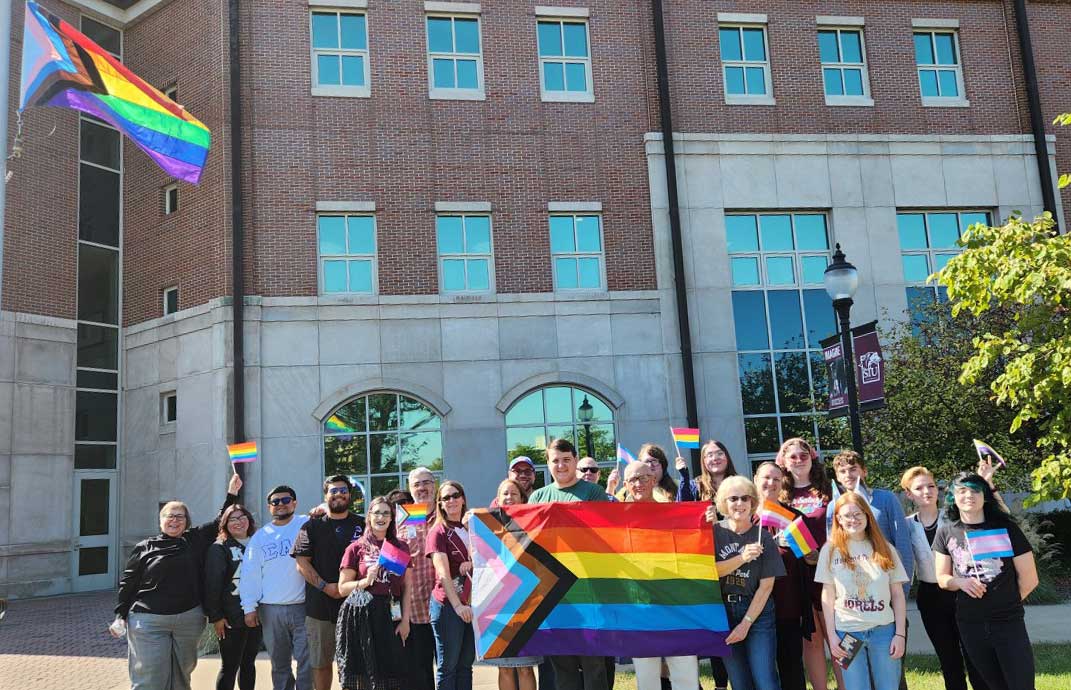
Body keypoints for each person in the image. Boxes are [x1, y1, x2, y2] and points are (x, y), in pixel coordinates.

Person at [114, 473, 241, 690]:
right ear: (160, 520)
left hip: (188, 620)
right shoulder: (145, 547)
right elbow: (128, 583)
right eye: (169, 515)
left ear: (187, 522)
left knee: (182, 675)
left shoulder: (195, 540)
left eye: (180, 516)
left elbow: (220, 520)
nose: (174, 520)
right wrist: (120, 615)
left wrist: (232, 493)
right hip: (148, 620)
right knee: (150, 677)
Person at [934, 472, 1038, 690]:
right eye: (962, 491)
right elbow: (942, 578)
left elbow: (1030, 579)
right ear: (953, 497)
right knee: (990, 685)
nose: (969, 495)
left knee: (1021, 684)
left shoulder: (1006, 529)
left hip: (1008, 622)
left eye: (975, 490)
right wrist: (959, 582)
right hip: (970, 623)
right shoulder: (945, 533)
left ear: (985, 496)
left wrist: (1006, 601)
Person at [529, 438, 611, 690]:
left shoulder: (593, 493)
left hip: (589, 590)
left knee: (593, 662)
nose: (561, 465)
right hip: (554, 593)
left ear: (575, 460)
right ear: (548, 464)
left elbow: (608, 533)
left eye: (566, 460)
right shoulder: (537, 497)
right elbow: (525, 540)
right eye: (555, 460)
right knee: (561, 664)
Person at [900, 467, 989, 690]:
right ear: (909, 494)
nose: (926, 491)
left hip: (962, 590)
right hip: (930, 596)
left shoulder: (954, 518)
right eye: (919, 488)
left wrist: (986, 484)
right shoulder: (906, 525)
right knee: (948, 659)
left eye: (931, 486)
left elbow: (991, 518)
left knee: (975, 656)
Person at [817, 493, 909, 690]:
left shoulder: (886, 549)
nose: (853, 520)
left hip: (883, 632)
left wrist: (899, 634)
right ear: (838, 520)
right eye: (847, 516)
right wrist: (832, 635)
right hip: (847, 634)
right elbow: (827, 595)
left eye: (858, 514)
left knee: (888, 687)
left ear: (867, 516)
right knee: (855, 687)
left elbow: (898, 594)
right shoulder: (830, 550)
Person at [622, 461, 700, 690]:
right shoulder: (616, 521)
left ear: (654, 480)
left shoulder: (673, 514)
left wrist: (704, 520)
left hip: (675, 605)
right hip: (640, 607)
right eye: (633, 479)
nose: (638, 484)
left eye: (644, 478)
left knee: (685, 673)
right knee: (646, 678)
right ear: (625, 484)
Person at [707, 476, 784, 690]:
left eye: (745, 498)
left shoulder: (764, 538)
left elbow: (767, 586)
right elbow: (711, 572)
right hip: (724, 613)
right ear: (724, 502)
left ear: (753, 503)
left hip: (758, 614)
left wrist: (746, 623)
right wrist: (742, 558)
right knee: (739, 682)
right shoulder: (715, 533)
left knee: (765, 680)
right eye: (733, 498)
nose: (739, 503)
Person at [291, 476, 366, 690]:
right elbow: (301, 563)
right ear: (326, 496)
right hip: (319, 608)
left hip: (356, 605)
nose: (339, 494)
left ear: (349, 495)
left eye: (343, 490)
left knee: (354, 664)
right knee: (321, 663)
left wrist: (346, 587)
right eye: (333, 491)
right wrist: (326, 587)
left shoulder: (363, 524)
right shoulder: (311, 526)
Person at [776, 437, 839, 690]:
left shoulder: (829, 489)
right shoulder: (781, 493)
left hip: (829, 569)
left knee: (836, 637)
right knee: (811, 641)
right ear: (783, 462)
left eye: (803, 455)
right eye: (793, 457)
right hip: (797, 573)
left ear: (812, 457)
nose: (799, 460)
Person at [674, 439, 737, 690]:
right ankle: (721, 684)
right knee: (716, 623)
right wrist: (683, 477)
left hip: (738, 558)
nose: (715, 458)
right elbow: (684, 511)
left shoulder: (739, 483)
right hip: (708, 562)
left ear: (727, 456)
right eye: (709, 455)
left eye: (719, 453)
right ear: (703, 461)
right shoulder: (695, 485)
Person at [240, 485, 313, 690]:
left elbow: (327, 511)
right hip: (271, 609)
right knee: (279, 663)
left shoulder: (306, 524)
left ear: (295, 503)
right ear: (269, 507)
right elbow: (250, 573)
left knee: (307, 661)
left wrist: (322, 508)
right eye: (275, 502)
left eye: (286, 500)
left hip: (303, 606)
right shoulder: (261, 536)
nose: (281, 504)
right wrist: (249, 607)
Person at [335, 496, 411, 689]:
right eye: (377, 512)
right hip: (361, 616)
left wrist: (405, 621)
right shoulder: (356, 548)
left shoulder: (400, 547)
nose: (381, 517)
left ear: (392, 518)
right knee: (364, 675)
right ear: (369, 516)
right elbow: (342, 588)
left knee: (391, 673)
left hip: (390, 613)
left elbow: (407, 587)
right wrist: (365, 581)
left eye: (386, 513)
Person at [754, 461, 814, 690]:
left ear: (782, 485)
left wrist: (807, 549)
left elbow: (811, 560)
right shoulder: (742, 517)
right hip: (753, 609)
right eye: (766, 478)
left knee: (791, 668)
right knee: (761, 671)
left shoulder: (792, 517)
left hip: (787, 606)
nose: (771, 483)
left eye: (776, 479)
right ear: (756, 480)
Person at [483, 479, 543, 690]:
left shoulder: (533, 525)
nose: (509, 497)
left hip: (528, 603)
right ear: (497, 499)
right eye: (504, 494)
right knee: (505, 667)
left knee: (526, 667)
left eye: (513, 493)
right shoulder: (487, 527)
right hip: (498, 605)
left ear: (522, 498)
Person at [827, 451, 914, 594]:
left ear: (864, 471)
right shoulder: (834, 505)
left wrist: (904, 586)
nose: (848, 475)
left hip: (886, 578)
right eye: (842, 471)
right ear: (837, 477)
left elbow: (902, 542)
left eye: (853, 469)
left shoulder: (886, 499)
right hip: (852, 583)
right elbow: (832, 545)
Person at [205, 502, 262, 690]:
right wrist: (216, 617)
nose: (238, 522)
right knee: (230, 666)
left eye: (242, 517)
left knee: (248, 664)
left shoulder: (258, 542)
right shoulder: (219, 548)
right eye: (232, 519)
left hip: (256, 615)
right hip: (231, 617)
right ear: (225, 523)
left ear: (249, 520)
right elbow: (212, 585)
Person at [427, 480, 477, 690]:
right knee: (448, 667)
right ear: (440, 503)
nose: (451, 500)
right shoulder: (438, 532)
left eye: (455, 495)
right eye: (445, 497)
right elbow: (443, 573)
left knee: (466, 666)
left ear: (463, 498)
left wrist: (473, 563)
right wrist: (458, 607)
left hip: (474, 604)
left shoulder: (474, 527)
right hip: (449, 605)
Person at [401, 467, 439, 690]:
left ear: (435, 485)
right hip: (414, 609)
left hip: (446, 604)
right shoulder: (403, 518)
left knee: (449, 667)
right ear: (410, 488)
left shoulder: (448, 512)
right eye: (417, 484)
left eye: (426, 482)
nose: (422, 488)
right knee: (420, 670)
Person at [606, 443, 677, 502]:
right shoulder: (627, 490)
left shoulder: (678, 485)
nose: (650, 465)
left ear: (663, 465)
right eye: (646, 462)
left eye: (654, 461)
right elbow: (610, 509)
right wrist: (611, 487)